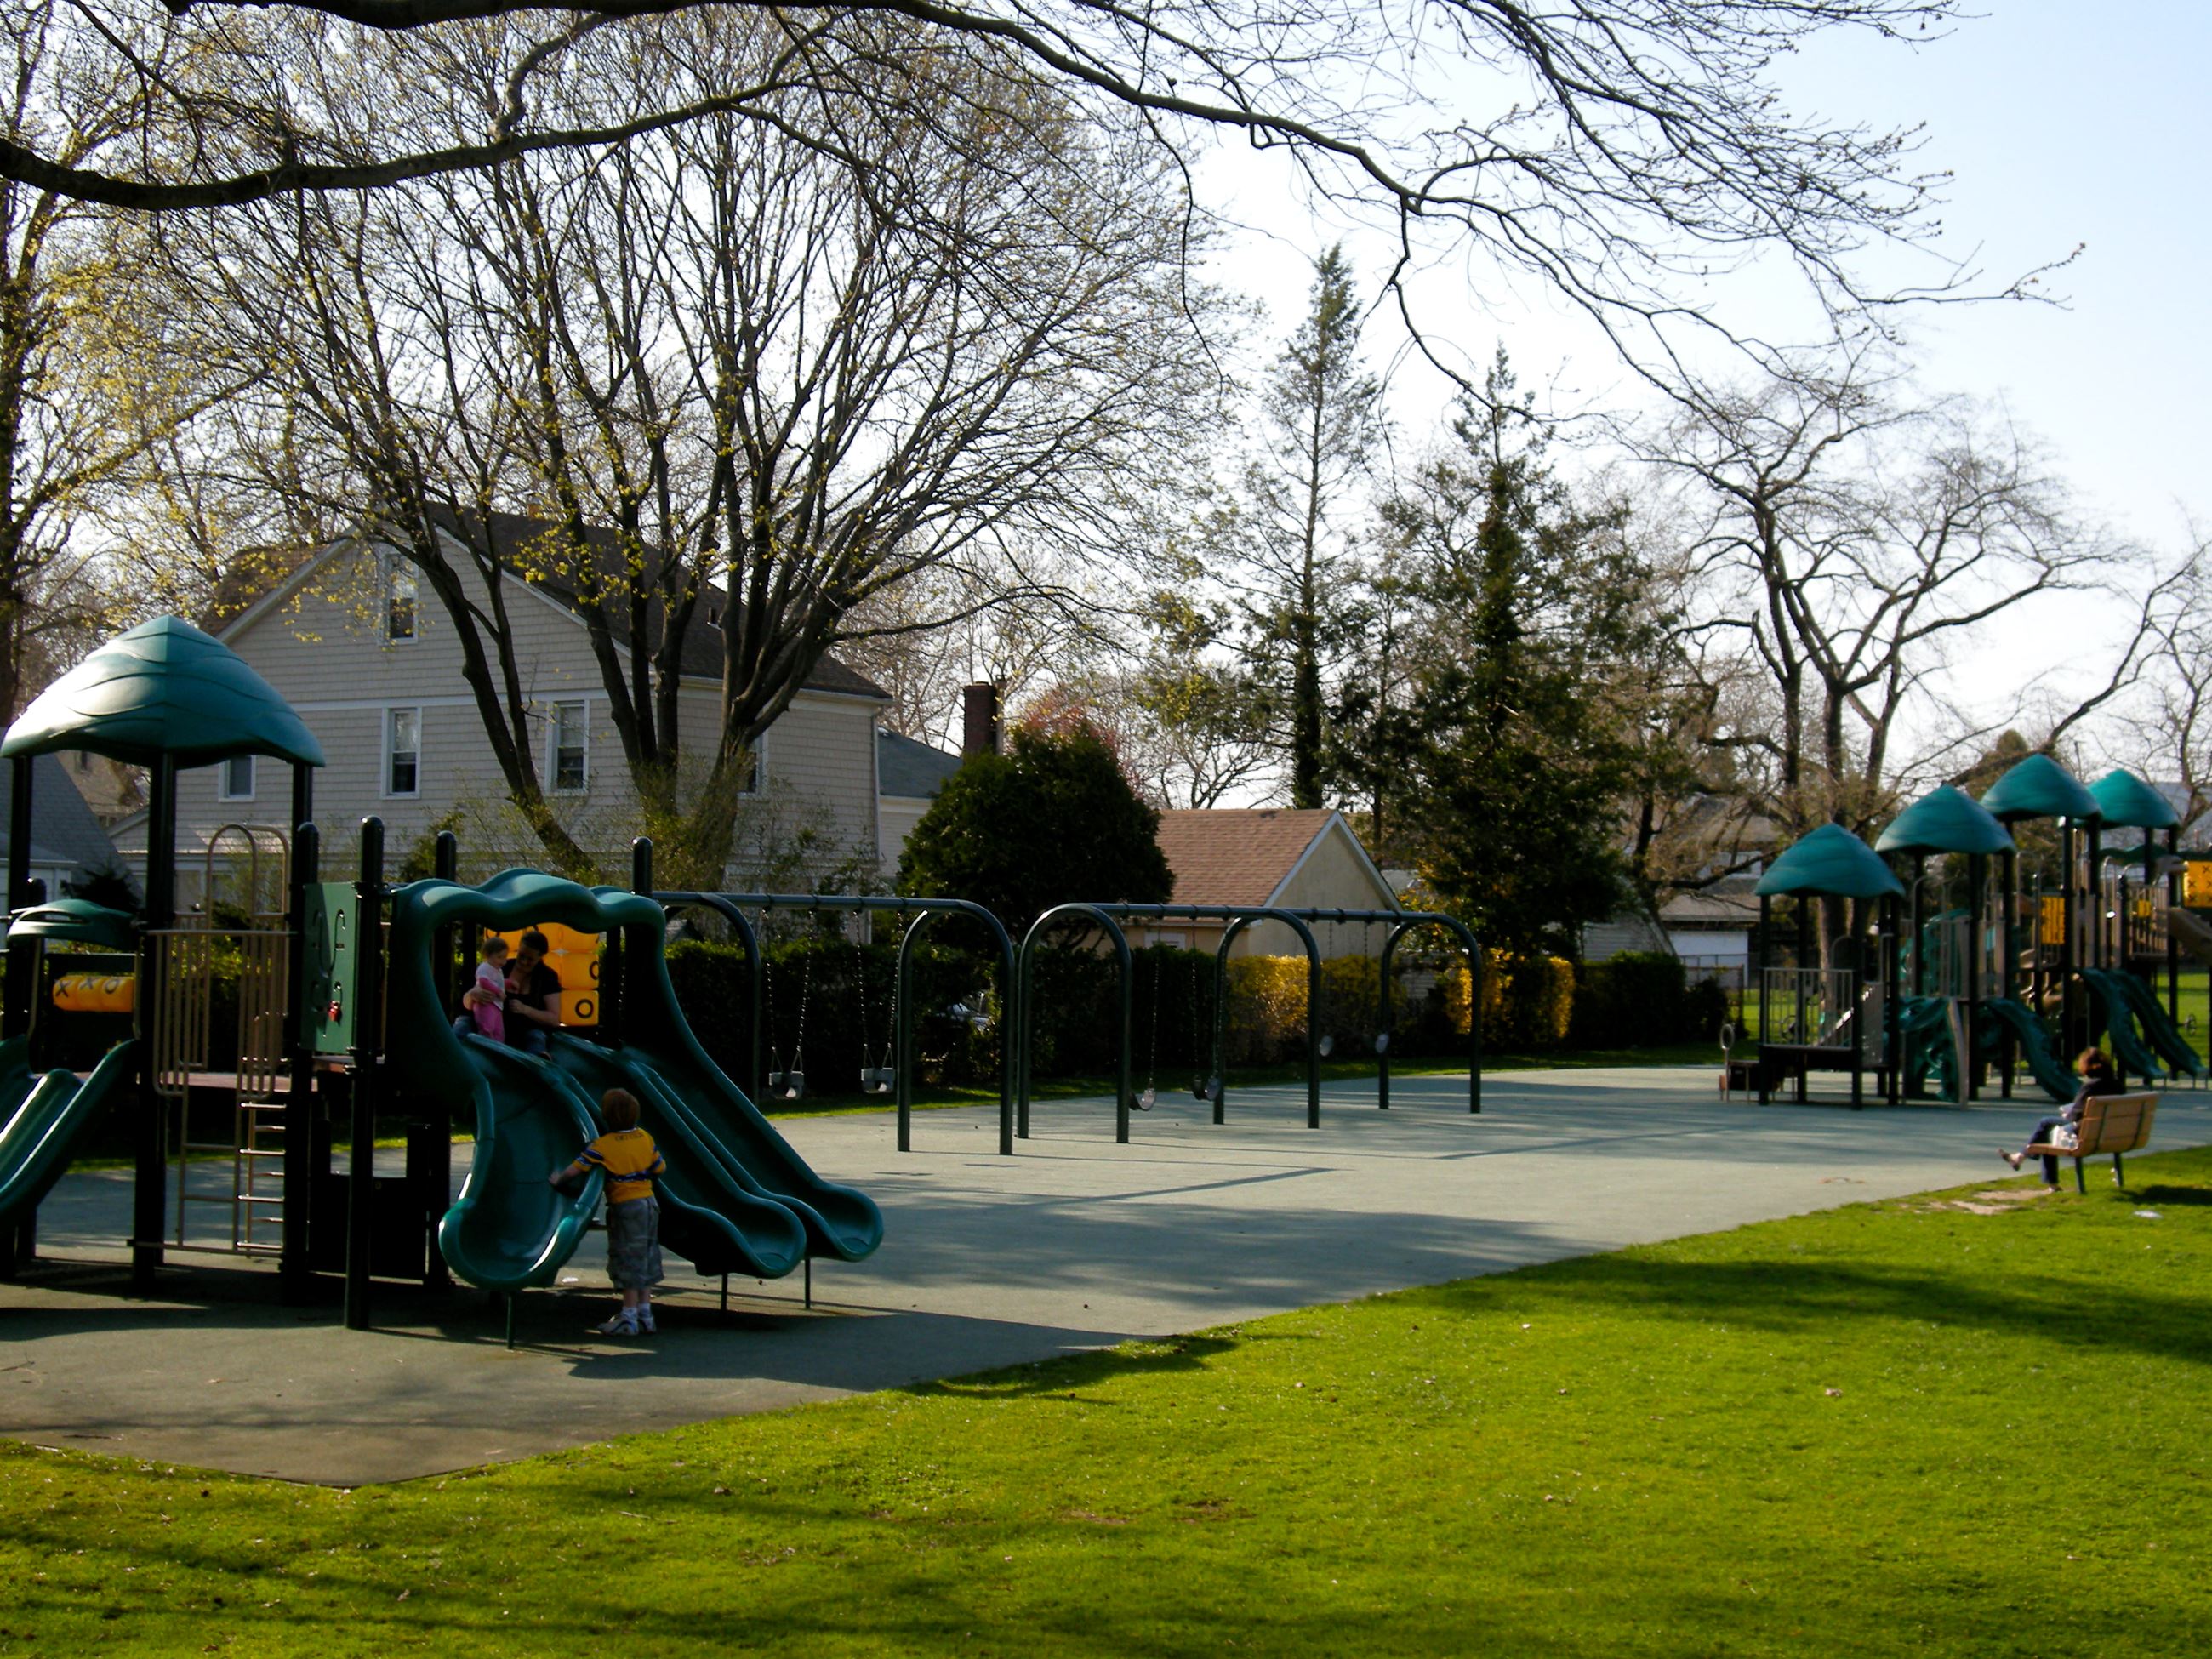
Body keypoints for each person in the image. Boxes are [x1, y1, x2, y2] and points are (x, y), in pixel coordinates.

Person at [551, 1087, 666, 1337]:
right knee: (646, 1255)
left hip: (625, 1207)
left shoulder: (603, 1146)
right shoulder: (645, 1137)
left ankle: (628, 1316)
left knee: (628, 1257)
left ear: (606, 1116)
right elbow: (660, 1167)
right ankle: (646, 1314)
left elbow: (576, 1168)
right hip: (649, 1203)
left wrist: (558, 1179)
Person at [2004, 1047, 2122, 1185]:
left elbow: (2074, 1116)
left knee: (2046, 1124)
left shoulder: (2090, 1087)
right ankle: (2020, 1158)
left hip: (2086, 1134)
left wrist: (2066, 1113)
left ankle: (2023, 1159)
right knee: (2049, 1128)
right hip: (2111, 1134)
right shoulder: (2117, 1085)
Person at [462, 928, 562, 1055]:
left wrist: (525, 1009)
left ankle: (538, 1060)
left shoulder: (547, 976)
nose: (524, 962)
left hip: (527, 1031)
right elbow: (467, 1003)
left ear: (540, 957)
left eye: (530, 959)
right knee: (464, 1022)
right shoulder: (500, 967)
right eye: (522, 955)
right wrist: (472, 995)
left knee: (536, 1037)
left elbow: (553, 1019)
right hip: (492, 1024)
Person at [464, 933, 510, 1042]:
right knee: (487, 1027)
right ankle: (487, 1045)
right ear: (488, 955)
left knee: (498, 1031)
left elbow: (499, 982)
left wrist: (510, 983)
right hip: (486, 1003)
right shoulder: (485, 968)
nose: (503, 962)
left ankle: (498, 1046)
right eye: (499, 957)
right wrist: (498, 992)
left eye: (505, 957)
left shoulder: (497, 970)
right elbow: (484, 982)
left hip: (496, 1005)